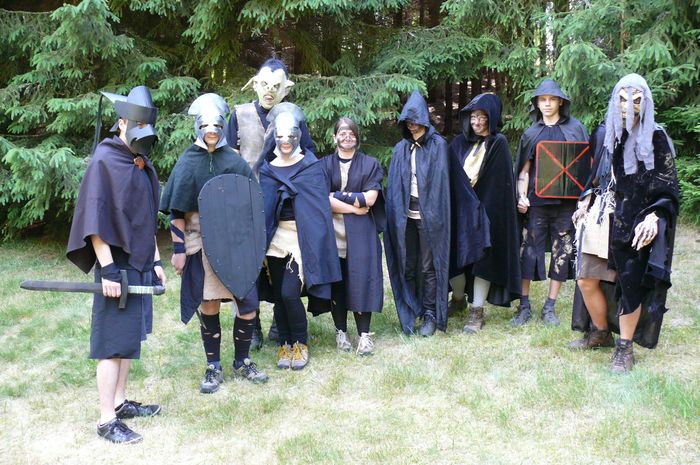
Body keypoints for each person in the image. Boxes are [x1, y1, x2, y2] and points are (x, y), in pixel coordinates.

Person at [66, 85, 165, 444]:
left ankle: (120, 402)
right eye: (136, 123)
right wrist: (107, 270)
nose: (142, 131)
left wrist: (156, 260)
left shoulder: (140, 161)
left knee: (128, 337)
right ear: (122, 122)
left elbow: (145, 217)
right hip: (116, 263)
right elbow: (94, 220)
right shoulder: (104, 161)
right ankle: (107, 419)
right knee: (111, 342)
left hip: (139, 262)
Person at [160, 93, 268, 394]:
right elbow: (177, 211)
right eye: (206, 126)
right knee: (208, 303)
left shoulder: (233, 160)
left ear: (222, 128)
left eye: (216, 126)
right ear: (198, 126)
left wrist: (254, 246)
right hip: (201, 241)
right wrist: (179, 251)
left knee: (247, 304)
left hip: (236, 241)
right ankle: (213, 366)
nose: (211, 131)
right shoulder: (188, 162)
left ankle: (242, 361)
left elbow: (252, 203)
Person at [225, 57, 316, 348]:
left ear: (286, 89)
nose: (269, 91)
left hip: (282, 205)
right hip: (246, 203)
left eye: (276, 86)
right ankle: (251, 326)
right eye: (264, 84)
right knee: (248, 267)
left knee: (281, 265)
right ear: (254, 84)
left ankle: (280, 321)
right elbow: (228, 159)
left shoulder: (292, 116)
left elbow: (309, 154)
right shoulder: (239, 115)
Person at [591, 73, 677, 372]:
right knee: (605, 279)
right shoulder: (614, 135)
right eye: (623, 99)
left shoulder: (657, 137)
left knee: (632, 282)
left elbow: (668, 188)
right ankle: (601, 331)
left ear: (646, 102)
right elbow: (606, 178)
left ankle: (625, 348)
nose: (629, 106)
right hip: (616, 218)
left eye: (636, 100)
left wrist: (654, 216)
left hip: (644, 222)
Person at [257, 103, 341, 369]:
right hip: (275, 237)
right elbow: (263, 206)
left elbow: (318, 208)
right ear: (274, 137)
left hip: (300, 238)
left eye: (290, 136)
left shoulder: (310, 166)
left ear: (298, 136)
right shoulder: (267, 169)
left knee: (290, 293)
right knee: (279, 295)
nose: (285, 142)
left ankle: (300, 342)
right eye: (280, 137)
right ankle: (285, 343)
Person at [513, 79, 589, 327]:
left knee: (561, 252)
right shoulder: (531, 134)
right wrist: (521, 196)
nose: (547, 104)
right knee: (528, 251)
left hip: (566, 204)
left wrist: (584, 200)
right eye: (542, 99)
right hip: (536, 203)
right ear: (537, 103)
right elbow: (524, 171)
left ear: (560, 102)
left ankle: (550, 307)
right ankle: (524, 305)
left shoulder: (576, 129)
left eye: (552, 99)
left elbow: (584, 167)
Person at [448, 93, 521, 333]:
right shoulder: (458, 143)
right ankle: (457, 299)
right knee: (453, 255)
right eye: (473, 117)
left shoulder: (498, 143)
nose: (476, 122)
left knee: (483, 259)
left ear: (492, 117)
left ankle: (476, 311)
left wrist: (480, 210)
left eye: (482, 117)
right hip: (460, 210)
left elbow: (497, 184)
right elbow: (450, 176)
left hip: (486, 213)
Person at [384, 90, 452, 336]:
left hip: (429, 218)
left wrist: (433, 215)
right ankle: (410, 310)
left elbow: (441, 186)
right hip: (406, 217)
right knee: (407, 264)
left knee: (428, 266)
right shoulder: (401, 148)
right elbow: (394, 187)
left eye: (415, 120)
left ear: (424, 118)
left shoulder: (438, 146)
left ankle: (430, 314)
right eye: (407, 121)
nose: (411, 125)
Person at [321, 117, 385, 355]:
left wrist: (337, 195)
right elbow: (322, 200)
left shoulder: (370, 164)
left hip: (361, 234)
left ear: (357, 138)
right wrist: (355, 207)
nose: (347, 137)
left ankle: (364, 336)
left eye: (351, 133)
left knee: (362, 281)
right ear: (334, 137)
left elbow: (370, 199)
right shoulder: (324, 165)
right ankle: (341, 332)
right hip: (333, 234)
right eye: (342, 133)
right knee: (337, 283)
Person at [568, 123, 618, 350]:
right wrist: (586, 201)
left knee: (627, 283)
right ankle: (600, 333)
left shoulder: (647, 137)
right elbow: (595, 174)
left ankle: (626, 342)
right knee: (586, 278)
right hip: (600, 215)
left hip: (627, 217)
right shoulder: (603, 131)